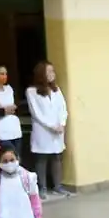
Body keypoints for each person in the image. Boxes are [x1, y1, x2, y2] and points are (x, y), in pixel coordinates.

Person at [27, 61, 70, 199]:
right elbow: (36, 113)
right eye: (49, 71)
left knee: (57, 156)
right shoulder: (31, 91)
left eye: (53, 71)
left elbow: (63, 108)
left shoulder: (56, 89)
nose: (52, 74)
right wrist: (52, 126)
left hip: (58, 129)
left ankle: (58, 186)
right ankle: (42, 187)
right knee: (42, 158)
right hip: (43, 130)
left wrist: (62, 124)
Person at [0, 61, 22, 160]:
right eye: (1, 73)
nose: (5, 76)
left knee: (18, 159)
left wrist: (4, 109)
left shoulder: (10, 89)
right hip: (1, 134)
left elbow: (17, 107)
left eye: (6, 74)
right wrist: (7, 109)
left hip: (16, 132)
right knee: (6, 158)